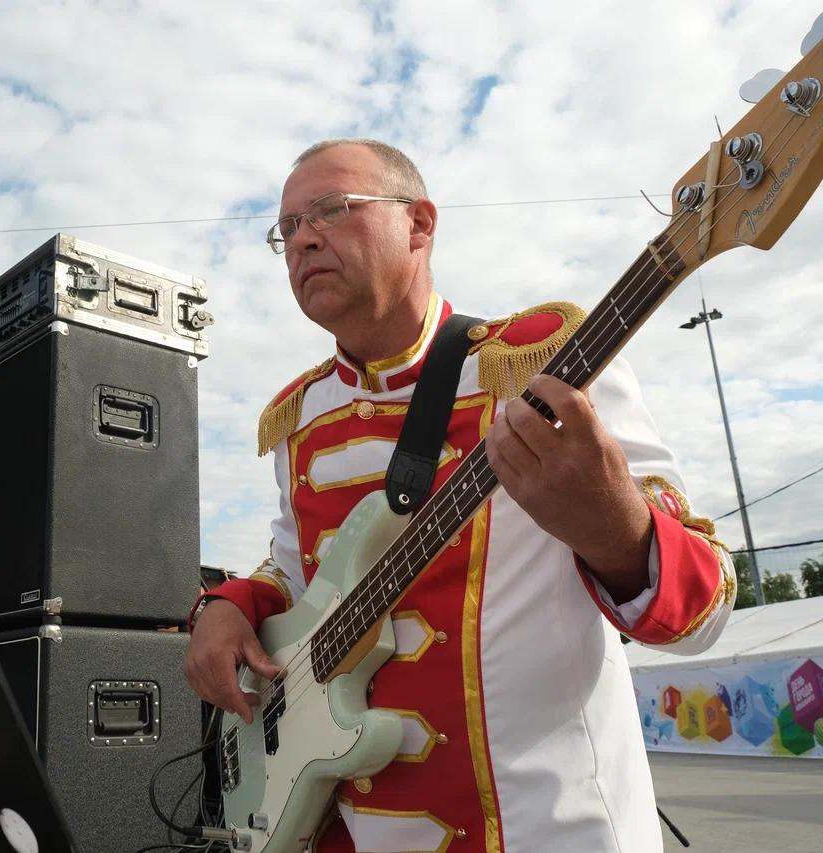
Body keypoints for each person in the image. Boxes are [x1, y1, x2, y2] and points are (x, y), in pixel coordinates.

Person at [183, 139, 735, 853]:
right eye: (286, 228)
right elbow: (291, 576)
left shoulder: (543, 358)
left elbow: (709, 607)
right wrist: (225, 605)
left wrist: (616, 527)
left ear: (419, 224)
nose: (303, 238)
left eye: (331, 209)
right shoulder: (298, 418)